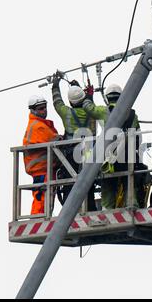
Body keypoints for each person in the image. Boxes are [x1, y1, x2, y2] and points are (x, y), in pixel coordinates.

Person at [83, 84, 147, 209]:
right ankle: (131, 204)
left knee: (108, 183)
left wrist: (89, 95)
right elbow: (138, 137)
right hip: (127, 156)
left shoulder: (103, 111)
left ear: (107, 98)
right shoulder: (132, 114)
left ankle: (107, 209)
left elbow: (87, 107)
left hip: (109, 158)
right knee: (129, 180)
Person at [51, 73, 97, 211]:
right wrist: (78, 89)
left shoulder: (67, 113)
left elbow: (57, 102)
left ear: (70, 101)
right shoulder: (91, 112)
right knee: (88, 184)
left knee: (69, 185)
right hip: (89, 154)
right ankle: (90, 209)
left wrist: (55, 85)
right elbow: (88, 102)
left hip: (71, 155)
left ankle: (68, 211)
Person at [23, 95, 59, 215]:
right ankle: (37, 219)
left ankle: (41, 217)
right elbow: (53, 140)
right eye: (41, 108)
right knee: (41, 199)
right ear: (33, 110)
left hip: (45, 169)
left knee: (45, 198)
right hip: (42, 170)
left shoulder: (41, 124)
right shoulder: (38, 126)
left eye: (45, 107)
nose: (44, 110)